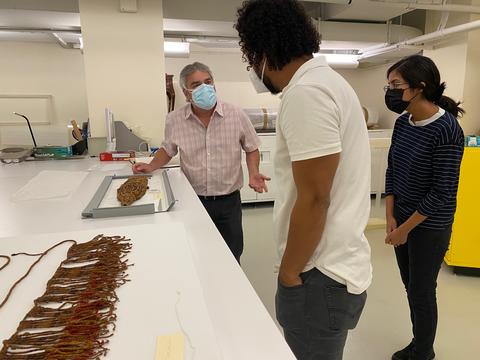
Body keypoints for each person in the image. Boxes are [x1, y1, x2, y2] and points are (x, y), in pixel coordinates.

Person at [235, 1, 372, 359]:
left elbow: (315, 199)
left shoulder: (307, 93)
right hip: (332, 268)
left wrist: (290, 273)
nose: (253, 69)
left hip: (317, 273)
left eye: (250, 58)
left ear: (262, 50)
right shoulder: (328, 83)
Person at [133, 62, 269, 262]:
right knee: (196, 253)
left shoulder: (236, 115)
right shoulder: (174, 120)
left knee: (232, 255)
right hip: (193, 201)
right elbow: (168, 149)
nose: (204, 88)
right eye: (196, 84)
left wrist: (254, 172)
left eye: (208, 82)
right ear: (186, 92)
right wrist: (151, 165)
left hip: (228, 202)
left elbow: (251, 148)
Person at [384, 55, 464, 360]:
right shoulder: (402, 122)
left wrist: (405, 229)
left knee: (421, 290)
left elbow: (441, 192)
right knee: (410, 286)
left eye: (395, 85)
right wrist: (391, 216)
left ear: (420, 87)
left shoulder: (447, 130)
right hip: (402, 219)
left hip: (429, 226)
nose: (390, 91)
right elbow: (393, 169)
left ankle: (423, 351)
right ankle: (419, 343)